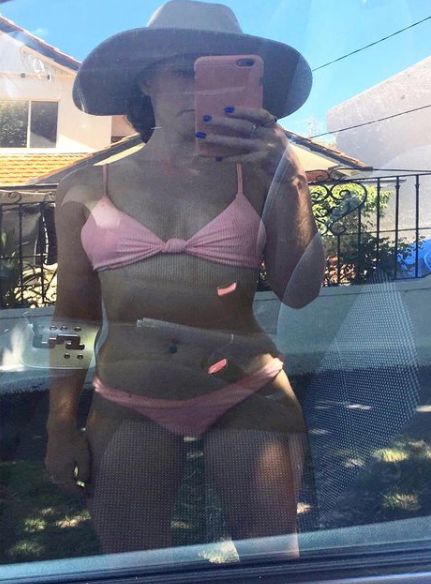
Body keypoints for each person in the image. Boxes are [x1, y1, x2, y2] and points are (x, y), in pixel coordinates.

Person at [45, 0, 325, 555]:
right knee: (135, 564)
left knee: (272, 563)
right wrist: (59, 423)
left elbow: (300, 292)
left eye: (215, 72)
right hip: (128, 398)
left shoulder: (260, 177)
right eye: (183, 72)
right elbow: (73, 315)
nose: (199, 89)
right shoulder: (84, 189)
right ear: (146, 80)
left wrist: (290, 177)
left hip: (249, 389)